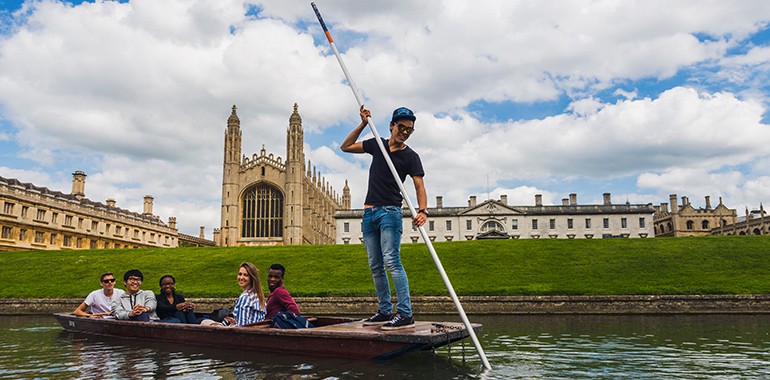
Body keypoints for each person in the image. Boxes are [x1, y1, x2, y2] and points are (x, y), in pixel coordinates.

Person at [340, 105, 428, 330]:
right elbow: (346, 146)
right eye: (402, 127)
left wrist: (422, 210)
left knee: (391, 261)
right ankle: (385, 311)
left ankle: (405, 313)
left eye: (410, 130)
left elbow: (419, 185)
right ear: (392, 126)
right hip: (369, 212)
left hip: (390, 211)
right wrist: (362, 124)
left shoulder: (411, 156)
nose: (405, 132)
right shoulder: (377, 145)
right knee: (375, 265)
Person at [220, 262, 266, 327]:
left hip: (245, 335)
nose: (241, 277)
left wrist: (229, 327)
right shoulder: (258, 295)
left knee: (205, 323)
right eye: (240, 274)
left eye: (245, 275)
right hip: (256, 333)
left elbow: (242, 327)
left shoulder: (245, 297)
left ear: (252, 278)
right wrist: (235, 322)